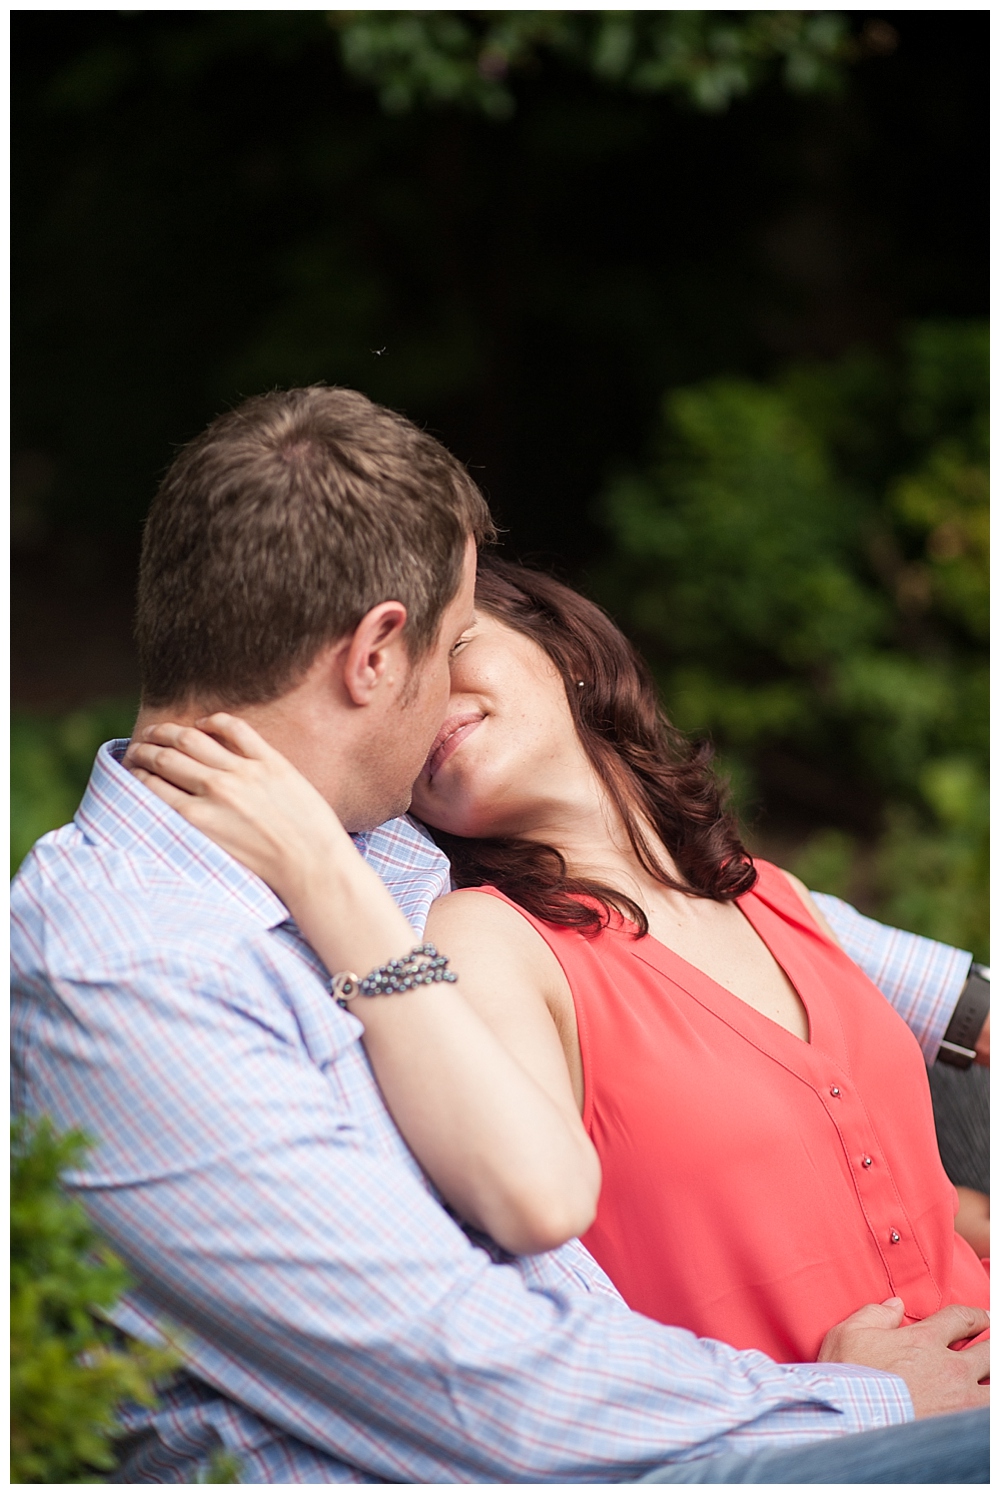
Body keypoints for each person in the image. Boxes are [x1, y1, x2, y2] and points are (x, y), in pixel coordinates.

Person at [11, 387, 987, 1484]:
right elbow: (473, 1381)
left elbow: (657, 897)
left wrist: (958, 1001)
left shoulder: (370, 845)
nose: (447, 707)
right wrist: (853, 1401)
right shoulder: (134, 967)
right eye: (450, 639)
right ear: (378, 655)